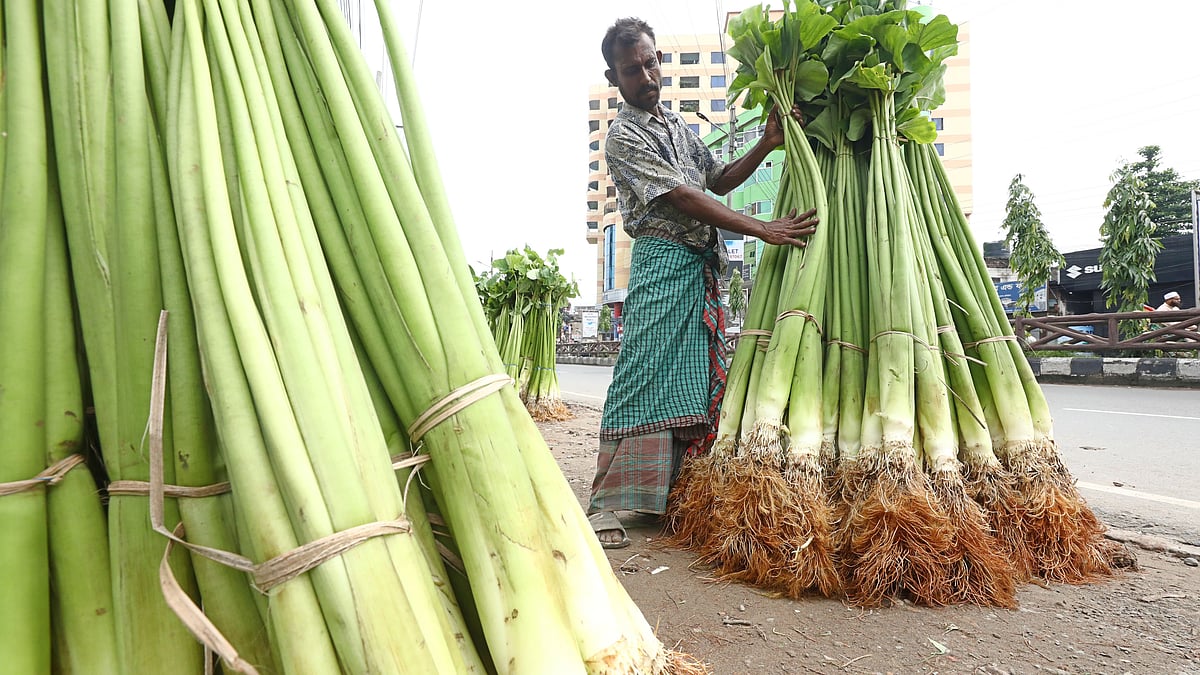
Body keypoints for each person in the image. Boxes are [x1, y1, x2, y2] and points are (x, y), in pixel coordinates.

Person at [588, 17, 819, 548]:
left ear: (658, 60)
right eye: (631, 70)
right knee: (642, 371)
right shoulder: (623, 136)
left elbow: (715, 179)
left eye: (650, 63)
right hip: (663, 264)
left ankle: (667, 497)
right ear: (613, 76)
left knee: (691, 378)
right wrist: (765, 228)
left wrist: (766, 144)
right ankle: (605, 502)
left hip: (698, 267)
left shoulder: (674, 125)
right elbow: (684, 198)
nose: (645, 75)